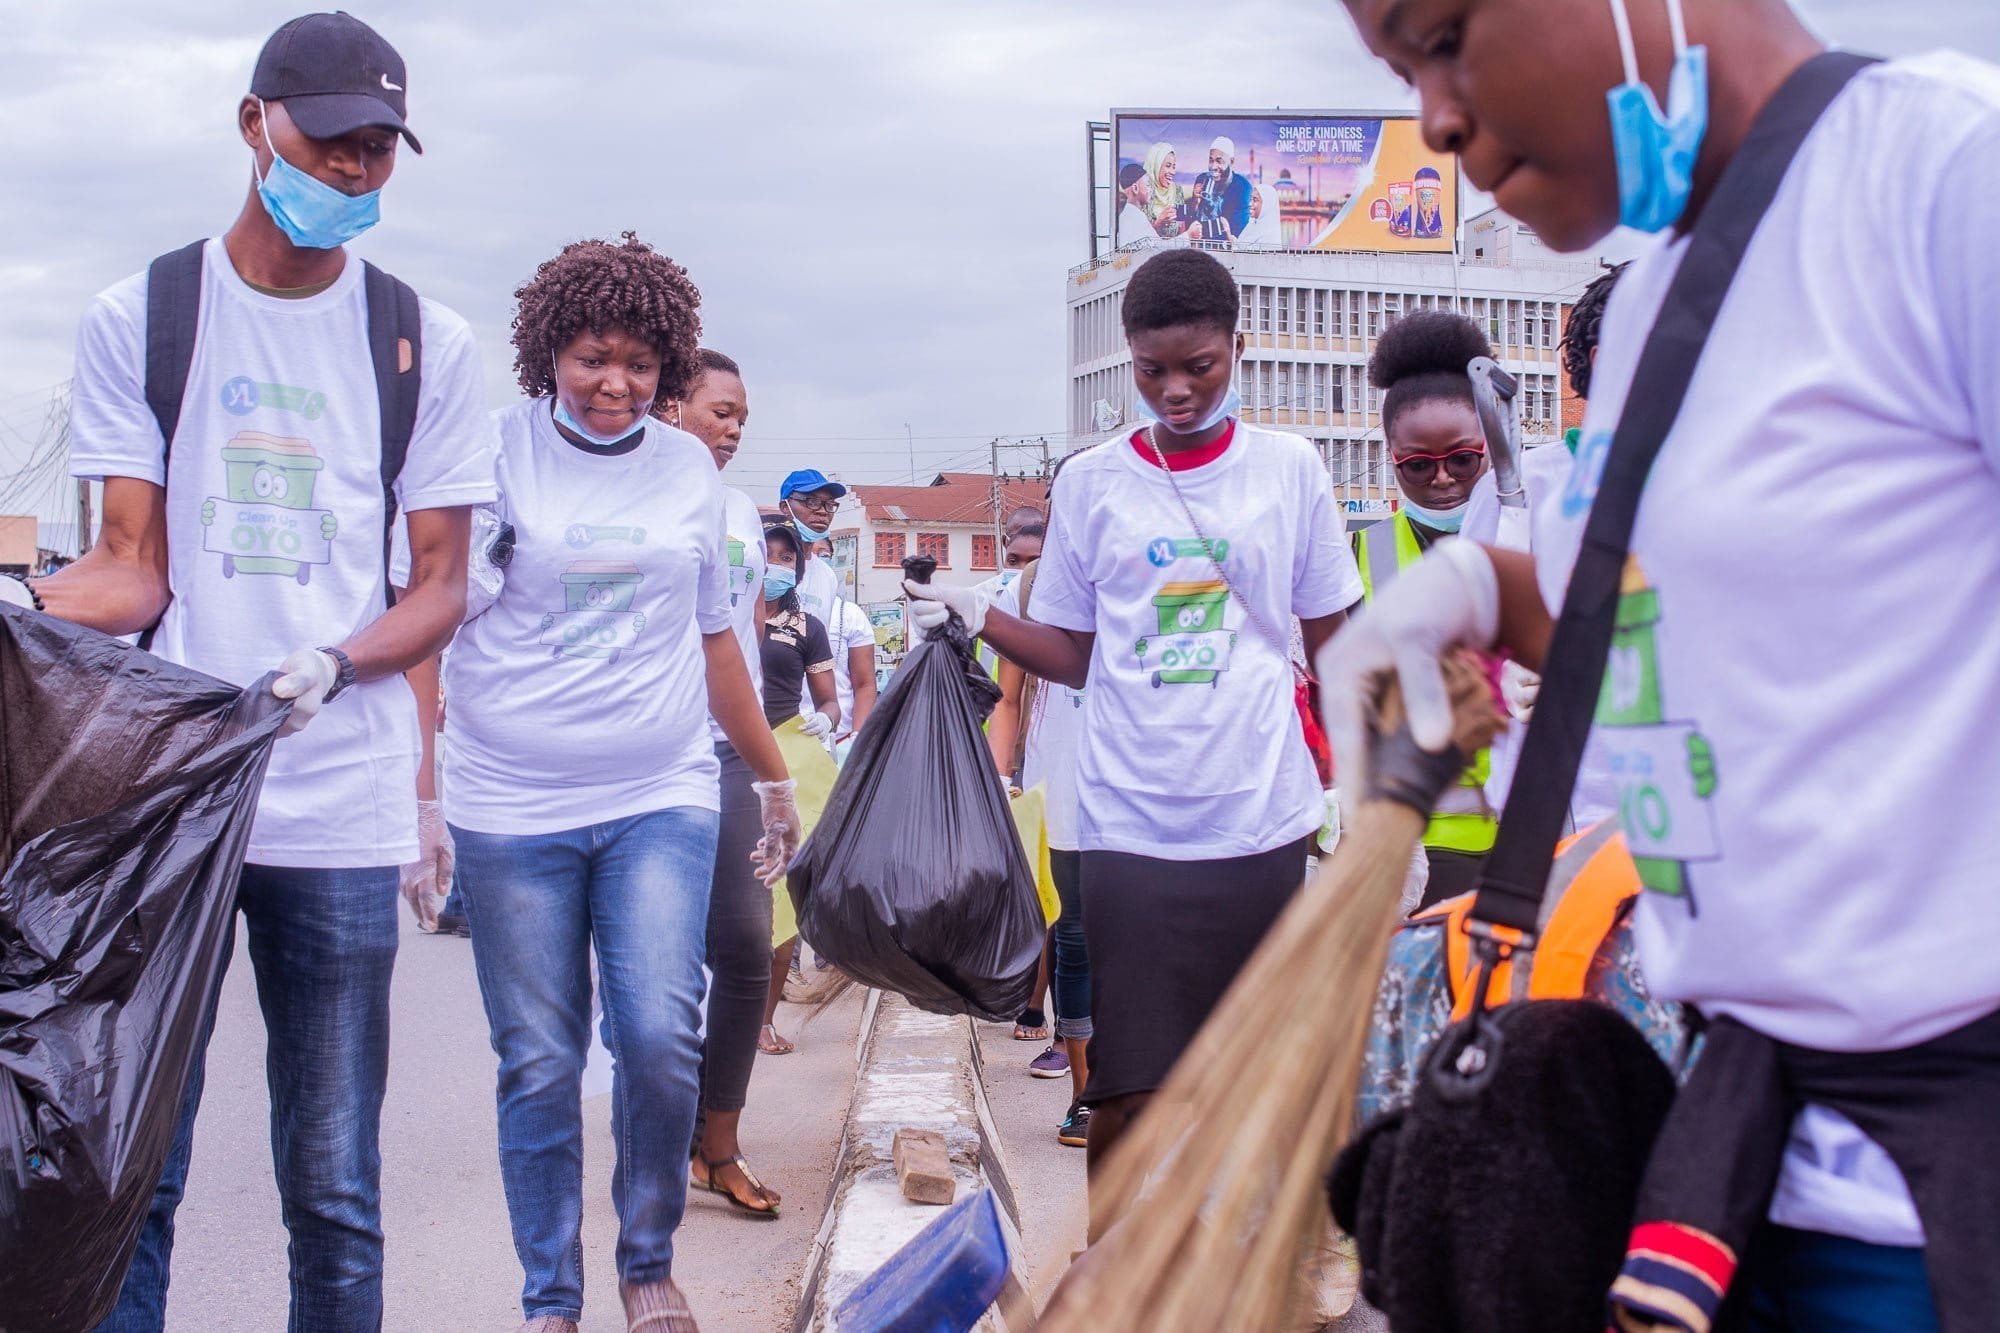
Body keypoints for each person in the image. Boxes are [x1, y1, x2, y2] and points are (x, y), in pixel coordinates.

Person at [1328, 1, 2000, 1324]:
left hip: (1934, 1216)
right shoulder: (1652, 308)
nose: (1436, 120)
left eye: (1444, 35)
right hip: (1730, 1176)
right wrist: (1485, 595)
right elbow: (1713, 634)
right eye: (1401, 74)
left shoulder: (1945, 179)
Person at [3, 16, 496, 1329]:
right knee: (128, 1165)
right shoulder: (145, 318)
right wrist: (21, 606)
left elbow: (438, 585)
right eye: (328, 140)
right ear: (253, 125)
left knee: (333, 1182)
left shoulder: (420, 341)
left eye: (376, 147)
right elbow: (132, 569)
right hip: (162, 801)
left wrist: (333, 663)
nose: (350, 168)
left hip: (336, 803)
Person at [906, 248, 1361, 1194]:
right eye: (1153, 370)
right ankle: (1114, 1259)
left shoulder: (1289, 469)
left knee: (1260, 1076)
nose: (1177, 389)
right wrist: (978, 613)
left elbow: (1335, 642)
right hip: (1129, 822)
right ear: (1127, 356)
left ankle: (1244, 1257)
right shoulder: (1093, 482)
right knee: (1128, 1085)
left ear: (1238, 347)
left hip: (1258, 818)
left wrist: (1364, 782)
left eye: (1200, 366)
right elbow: (1075, 654)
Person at [440, 236, 800, 1332]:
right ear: (549, 350)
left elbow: (716, 640)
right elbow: (434, 608)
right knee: (540, 1059)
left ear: (668, 369)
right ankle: (551, 1297)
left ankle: (648, 1262)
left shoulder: (687, 470)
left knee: (656, 1034)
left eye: (642, 365)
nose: (616, 384)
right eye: (594, 357)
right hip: (509, 802)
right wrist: (419, 794)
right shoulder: (494, 451)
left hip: (657, 791)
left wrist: (774, 780)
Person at [658, 349, 790, 1220]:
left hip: (731, 749)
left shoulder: (741, 509)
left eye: (743, 416)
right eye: (720, 410)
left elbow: (742, 635)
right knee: (662, 965)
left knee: (746, 943)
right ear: (672, 405)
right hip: (653, 751)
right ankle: (658, 1132)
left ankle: (719, 1142)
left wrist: (770, 762)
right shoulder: (642, 494)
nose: (735, 428)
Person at [1353, 310, 1500, 907]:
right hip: (1416, 849)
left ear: (1491, 444)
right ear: (1392, 456)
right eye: (1418, 465)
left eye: (1462, 459)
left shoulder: (1532, 537)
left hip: (1536, 830)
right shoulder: (1359, 557)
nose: (1442, 480)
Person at [985, 533, 1094, 1147]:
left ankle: (1137, 1086)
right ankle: (1086, 1097)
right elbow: (1008, 697)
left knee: (1137, 939)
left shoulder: (1153, 562)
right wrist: (1001, 779)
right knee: (1074, 935)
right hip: (1063, 787)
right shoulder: (1028, 590)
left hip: (1150, 787)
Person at [758, 521, 839, 1056]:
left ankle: (763, 1020)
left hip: (790, 756)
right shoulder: (718, 614)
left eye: (787, 557)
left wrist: (826, 719)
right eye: (767, 553)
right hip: (721, 755)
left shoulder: (805, 626)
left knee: (782, 891)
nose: (776, 564)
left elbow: (829, 700)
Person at [812, 540, 879, 749]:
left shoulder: (849, 615)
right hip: (784, 738)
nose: (816, 560)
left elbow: (865, 685)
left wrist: (856, 740)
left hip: (839, 739)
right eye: (809, 552)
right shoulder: (772, 610)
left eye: (823, 554)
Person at [1188, 135, 1253, 245]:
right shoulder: (1202, 179)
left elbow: (1238, 233)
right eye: (1211, 160)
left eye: (1219, 161)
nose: (1213, 166)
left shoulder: (1242, 187)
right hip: (1198, 246)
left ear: (1231, 161)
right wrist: (1195, 202)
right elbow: (1191, 220)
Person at [1140, 141, 1191, 243]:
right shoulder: (1143, 190)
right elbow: (1137, 239)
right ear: (1155, 165)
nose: (1172, 172)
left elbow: (1182, 229)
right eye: (1168, 166)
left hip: (1173, 251)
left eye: (1174, 167)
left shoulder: (1177, 190)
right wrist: (1159, 222)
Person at [1235, 182, 1284, 250]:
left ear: (1267, 205)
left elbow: (1249, 254)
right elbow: (1240, 246)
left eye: (1255, 200)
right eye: (1251, 199)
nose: (1250, 204)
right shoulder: (1252, 224)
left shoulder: (1271, 234)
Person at [1115, 162, 1153, 248]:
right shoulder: (1136, 217)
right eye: (1148, 185)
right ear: (1135, 188)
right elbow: (1157, 247)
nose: (1150, 189)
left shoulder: (1129, 215)